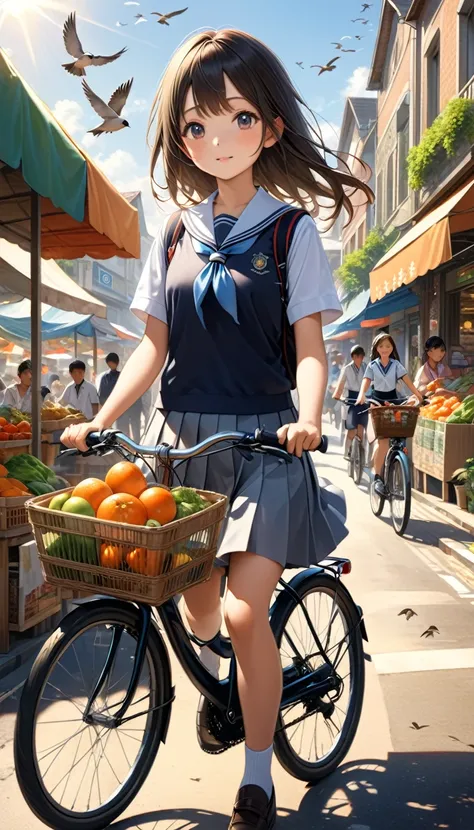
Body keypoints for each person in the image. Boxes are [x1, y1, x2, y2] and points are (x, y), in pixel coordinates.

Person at [61, 28, 373, 829]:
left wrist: (307, 418)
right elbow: (152, 346)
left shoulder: (291, 232)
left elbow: (311, 346)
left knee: (240, 612)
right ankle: (238, 684)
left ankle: (258, 776)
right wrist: (97, 420)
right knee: (195, 605)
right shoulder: (172, 229)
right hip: (185, 446)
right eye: (196, 126)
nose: (215, 140)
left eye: (236, 119)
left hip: (267, 446)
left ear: (269, 127)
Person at [356, 333, 423, 496]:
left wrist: (419, 395)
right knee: (383, 441)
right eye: (381, 346)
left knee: (401, 429)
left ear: (392, 347)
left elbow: (408, 382)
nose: (385, 349)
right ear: (376, 349)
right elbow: (366, 382)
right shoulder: (372, 365)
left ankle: (396, 462)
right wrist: (361, 394)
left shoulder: (396, 365)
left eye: (388, 346)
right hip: (377, 401)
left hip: (393, 400)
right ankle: (378, 477)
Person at [333, 345, 368, 453]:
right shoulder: (347, 369)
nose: (360, 359)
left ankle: (360, 453)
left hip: (363, 398)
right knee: (352, 429)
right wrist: (339, 395)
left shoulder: (366, 367)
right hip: (350, 398)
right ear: (353, 357)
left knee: (361, 429)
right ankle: (347, 451)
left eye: (361, 356)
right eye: (357, 356)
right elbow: (341, 384)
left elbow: (371, 381)